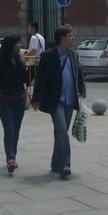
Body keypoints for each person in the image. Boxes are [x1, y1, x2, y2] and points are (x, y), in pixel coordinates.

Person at [31, 24, 86, 180]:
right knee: (61, 130)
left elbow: (79, 73)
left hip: (70, 99)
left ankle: (55, 163)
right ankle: (64, 165)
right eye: (70, 36)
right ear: (62, 38)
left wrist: (82, 90)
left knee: (61, 133)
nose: (73, 38)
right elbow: (40, 78)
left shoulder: (73, 55)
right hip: (56, 100)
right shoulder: (48, 56)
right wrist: (36, 99)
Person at [0, 35, 30, 173]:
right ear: (10, 46)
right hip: (5, 99)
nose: (19, 46)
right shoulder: (0, 63)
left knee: (16, 131)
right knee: (9, 130)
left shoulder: (20, 61)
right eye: (17, 43)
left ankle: (13, 157)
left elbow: (26, 81)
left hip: (20, 99)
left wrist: (33, 70)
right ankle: (10, 159)